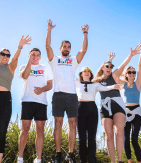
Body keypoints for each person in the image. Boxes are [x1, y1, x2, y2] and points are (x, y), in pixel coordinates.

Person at [0, 31, 31, 163]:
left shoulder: (11, 67)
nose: (5, 56)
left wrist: (20, 46)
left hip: (5, 100)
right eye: (3, 54)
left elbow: (16, 58)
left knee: (1, 132)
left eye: (7, 55)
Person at [45, 19, 89, 163]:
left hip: (71, 96)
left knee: (72, 124)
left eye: (68, 46)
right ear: (60, 48)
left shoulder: (74, 60)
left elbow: (83, 50)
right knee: (58, 123)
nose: (67, 48)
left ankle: (70, 154)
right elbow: (47, 46)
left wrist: (85, 33)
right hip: (58, 95)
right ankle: (58, 154)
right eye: (64, 46)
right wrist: (49, 30)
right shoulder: (54, 60)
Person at [93, 43, 141, 163]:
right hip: (105, 108)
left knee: (119, 132)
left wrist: (130, 55)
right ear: (102, 68)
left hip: (118, 106)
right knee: (109, 136)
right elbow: (93, 79)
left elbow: (123, 65)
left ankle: (120, 160)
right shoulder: (97, 80)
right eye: (107, 67)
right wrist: (107, 61)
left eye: (111, 66)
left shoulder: (114, 75)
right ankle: (113, 161)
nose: (109, 68)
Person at [76, 67, 122, 163]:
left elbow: (104, 88)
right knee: (82, 137)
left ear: (91, 74)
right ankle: (83, 160)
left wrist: (113, 86)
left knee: (92, 137)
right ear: (81, 74)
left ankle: (92, 160)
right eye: (84, 71)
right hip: (80, 108)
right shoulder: (77, 83)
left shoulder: (95, 84)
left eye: (88, 71)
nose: (87, 73)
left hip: (92, 109)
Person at [17, 48, 53, 163]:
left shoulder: (45, 68)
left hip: (41, 103)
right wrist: (29, 62)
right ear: (29, 56)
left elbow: (50, 85)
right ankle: (20, 158)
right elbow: (25, 76)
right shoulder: (24, 66)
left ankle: (38, 159)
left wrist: (42, 89)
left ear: (40, 57)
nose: (35, 57)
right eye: (33, 55)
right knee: (25, 129)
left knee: (40, 130)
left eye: (37, 55)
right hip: (27, 101)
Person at [121, 41, 141, 163]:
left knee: (134, 140)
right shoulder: (123, 84)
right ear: (126, 74)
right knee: (125, 140)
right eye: (130, 72)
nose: (132, 74)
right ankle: (130, 161)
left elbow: (140, 66)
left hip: (136, 112)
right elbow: (116, 74)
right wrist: (129, 56)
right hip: (125, 112)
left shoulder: (138, 84)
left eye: (133, 72)